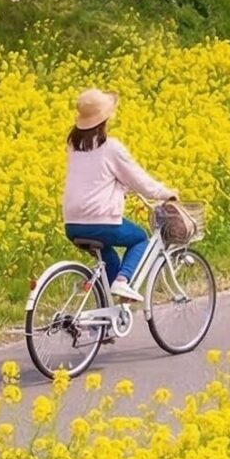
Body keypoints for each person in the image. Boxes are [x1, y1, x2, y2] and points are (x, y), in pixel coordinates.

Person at [61, 88, 176, 303]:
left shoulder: (73, 148)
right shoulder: (111, 148)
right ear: (104, 119)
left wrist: (119, 189)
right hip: (100, 222)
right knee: (140, 238)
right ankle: (123, 281)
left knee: (109, 262)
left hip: (72, 224)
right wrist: (165, 193)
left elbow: (93, 179)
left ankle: (104, 323)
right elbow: (140, 181)